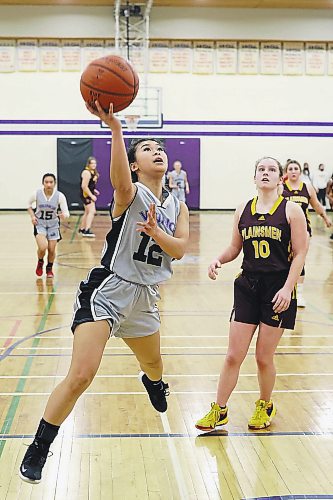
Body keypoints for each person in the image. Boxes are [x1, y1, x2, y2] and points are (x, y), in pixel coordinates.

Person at [19, 101, 189, 484]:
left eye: (159, 147)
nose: (157, 151)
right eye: (146, 149)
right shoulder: (130, 194)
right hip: (109, 289)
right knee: (81, 373)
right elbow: (117, 179)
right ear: (134, 164)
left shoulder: (177, 204)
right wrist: (115, 129)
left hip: (146, 296)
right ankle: (40, 446)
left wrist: (157, 233)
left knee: (154, 366)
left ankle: (153, 382)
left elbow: (178, 249)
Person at [195, 157, 307, 432]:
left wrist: (288, 287)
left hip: (277, 288)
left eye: (271, 170)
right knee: (234, 354)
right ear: (254, 177)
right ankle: (219, 410)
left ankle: (264, 405)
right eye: (261, 169)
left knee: (262, 357)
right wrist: (218, 260)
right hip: (247, 286)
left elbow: (301, 252)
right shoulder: (242, 209)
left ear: (280, 178)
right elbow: (235, 247)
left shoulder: (291, 211)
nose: (266, 173)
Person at [282, 160, 331, 307]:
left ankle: (299, 294)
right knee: (284, 259)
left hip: (303, 230)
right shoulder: (281, 188)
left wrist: (326, 218)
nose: (293, 171)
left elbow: (316, 205)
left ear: (300, 172)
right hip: (284, 230)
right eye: (290, 168)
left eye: (296, 168)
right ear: (286, 172)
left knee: (299, 259)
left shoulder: (307, 188)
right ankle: (284, 289)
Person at [28, 173, 69, 278]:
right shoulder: (36, 194)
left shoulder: (60, 196)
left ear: (54, 183)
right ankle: (40, 262)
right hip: (40, 223)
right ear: (43, 183)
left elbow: (66, 212)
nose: (49, 184)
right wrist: (32, 216)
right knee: (43, 247)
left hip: (53, 225)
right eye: (46, 182)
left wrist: (64, 215)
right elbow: (28, 205)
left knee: (51, 249)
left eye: (51, 182)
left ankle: (49, 268)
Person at [78, 156, 100, 237]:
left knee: (87, 212)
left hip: (88, 193)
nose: (94, 165)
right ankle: (87, 230)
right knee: (92, 211)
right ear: (89, 164)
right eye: (92, 163)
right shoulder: (86, 172)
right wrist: (91, 196)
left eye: (95, 163)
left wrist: (94, 191)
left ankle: (82, 228)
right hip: (86, 195)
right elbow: (84, 186)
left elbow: (90, 185)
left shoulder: (93, 172)